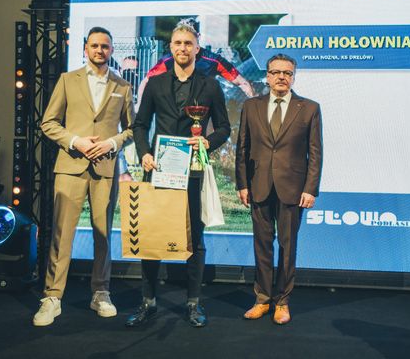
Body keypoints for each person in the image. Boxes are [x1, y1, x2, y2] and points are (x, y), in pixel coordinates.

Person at [127, 23, 231, 328]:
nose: (182, 48)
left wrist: (207, 142)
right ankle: (148, 302)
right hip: (158, 171)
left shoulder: (210, 86)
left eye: (188, 43)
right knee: (151, 237)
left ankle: (193, 303)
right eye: (177, 43)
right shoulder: (156, 84)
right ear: (170, 47)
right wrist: (144, 153)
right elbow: (140, 125)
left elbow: (224, 128)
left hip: (193, 171)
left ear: (197, 48)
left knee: (195, 238)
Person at [33, 27, 135, 326]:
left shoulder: (123, 86)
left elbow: (132, 129)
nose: (99, 50)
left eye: (105, 46)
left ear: (111, 50)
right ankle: (52, 297)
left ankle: (101, 292)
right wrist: (76, 141)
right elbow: (48, 123)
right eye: (94, 46)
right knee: (61, 233)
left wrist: (112, 143)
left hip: (105, 168)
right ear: (85, 48)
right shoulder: (68, 80)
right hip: (71, 166)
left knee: (103, 234)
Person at [235, 53, 323, 325]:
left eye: (287, 73)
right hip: (258, 187)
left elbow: (315, 153)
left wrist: (310, 189)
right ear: (267, 76)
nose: (282, 77)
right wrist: (242, 184)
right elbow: (242, 148)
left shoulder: (309, 108)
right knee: (262, 245)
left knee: (287, 246)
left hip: (293, 189)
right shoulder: (251, 106)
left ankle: (282, 302)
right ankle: (262, 299)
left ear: (293, 77)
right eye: (276, 72)